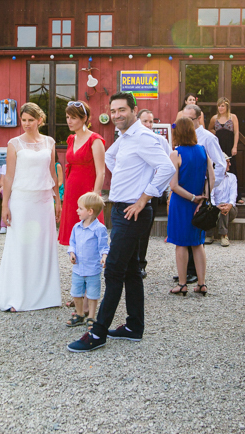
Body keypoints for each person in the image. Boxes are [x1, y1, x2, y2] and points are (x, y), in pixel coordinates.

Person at [67, 92, 173, 352]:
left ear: (134, 110)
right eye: (113, 111)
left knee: (113, 269)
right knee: (131, 270)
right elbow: (111, 159)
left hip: (133, 211)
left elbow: (167, 168)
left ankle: (98, 333)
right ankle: (134, 327)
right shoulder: (124, 138)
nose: (116, 115)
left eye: (122, 110)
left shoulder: (144, 137)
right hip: (121, 208)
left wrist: (142, 198)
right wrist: (130, 177)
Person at [0, 103, 62, 312]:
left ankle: (45, 295)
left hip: (44, 201)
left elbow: (53, 173)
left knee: (43, 246)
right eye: (23, 120)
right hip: (22, 200)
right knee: (21, 246)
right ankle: (17, 295)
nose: (26, 124)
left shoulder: (50, 142)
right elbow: (9, 176)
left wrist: (57, 200)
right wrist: (5, 204)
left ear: (39, 120)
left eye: (30, 120)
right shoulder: (14, 143)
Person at [166, 116, 212, 297]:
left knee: (181, 244)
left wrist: (193, 198)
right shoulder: (202, 151)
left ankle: (183, 284)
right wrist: (203, 197)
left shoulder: (175, 154)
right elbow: (212, 177)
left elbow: (174, 185)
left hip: (182, 203)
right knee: (198, 243)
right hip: (199, 203)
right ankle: (202, 284)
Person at [181, 103, 225, 280]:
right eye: (183, 119)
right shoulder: (182, 137)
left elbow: (220, 165)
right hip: (184, 191)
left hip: (201, 191)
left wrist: (208, 189)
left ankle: (194, 271)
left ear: (199, 118)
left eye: (190, 119)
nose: (186, 123)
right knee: (184, 230)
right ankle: (184, 270)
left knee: (197, 230)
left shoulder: (207, 138)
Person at [58, 100, 106, 246]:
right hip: (71, 189)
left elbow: (101, 172)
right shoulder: (71, 139)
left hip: (87, 190)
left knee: (89, 230)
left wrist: (95, 196)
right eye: (67, 117)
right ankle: (77, 264)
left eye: (73, 117)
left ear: (84, 118)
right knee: (74, 231)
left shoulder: (95, 139)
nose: (69, 121)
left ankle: (90, 265)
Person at [136, 109, 171, 279]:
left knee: (145, 229)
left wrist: (161, 188)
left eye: (151, 122)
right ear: (137, 121)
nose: (149, 125)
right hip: (133, 190)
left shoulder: (160, 140)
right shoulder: (130, 139)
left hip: (152, 192)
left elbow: (168, 165)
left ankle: (141, 263)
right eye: (145, 121)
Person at [66, 192, 109, 328]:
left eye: (80, 208)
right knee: (76, 293)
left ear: (90, 211)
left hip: (93, 269)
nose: (77, 211)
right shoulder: (76, 228)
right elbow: (72, 243)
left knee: (92, 294)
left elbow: (103, 246)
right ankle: (79, 314)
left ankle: (91, 316)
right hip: (78, 268)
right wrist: (71, 253)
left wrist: (104, 257)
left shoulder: (99, 229)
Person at [208, 97, 239, 180]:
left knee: (230, 165)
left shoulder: (233, 117)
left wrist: (235, 146)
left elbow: (236, 132)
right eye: (219, 106)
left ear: (227, 107)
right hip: (218, 145)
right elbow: (209, 129)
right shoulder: (214, 118)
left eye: (222, 106)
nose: (220, 108)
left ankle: (230, 188)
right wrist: (213, 131)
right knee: (218, 164)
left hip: (229, 144)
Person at [212, 154, 238, 247]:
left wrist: (229, 205)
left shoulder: (232, 177)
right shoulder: (213, 178)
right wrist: (216, 207)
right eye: (227, 162)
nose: (230, 164)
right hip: (216, 207)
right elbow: (210, 196)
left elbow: (233, 194)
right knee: (210, 207)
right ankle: (209, 235)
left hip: (230, 209)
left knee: (224, 207)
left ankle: (224, 235)